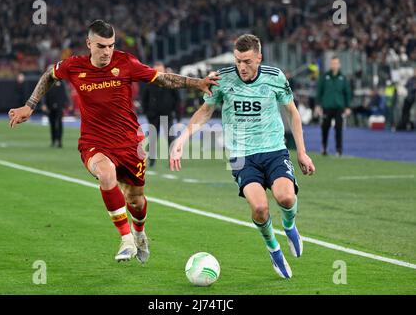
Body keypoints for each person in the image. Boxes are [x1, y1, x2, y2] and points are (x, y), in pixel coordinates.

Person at [8, 20, 219, 264]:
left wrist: (197, 83)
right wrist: (30, 105)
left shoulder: (125, 62)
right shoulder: (74, 66)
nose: (107, 51)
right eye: (101, 46)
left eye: (111, 45)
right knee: (106, 174)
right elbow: (49, 75)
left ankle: (139, 234)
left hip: (130, 144)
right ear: (89, 44)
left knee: (136, 201)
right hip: (94, 142)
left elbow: (162, 78)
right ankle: (126, 238)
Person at [170, 34, 315, 279]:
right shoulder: (222, 80)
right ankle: (274, 250)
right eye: (238, 61)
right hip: (242, 156)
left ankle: (290, 227)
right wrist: (181, 140)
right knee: (259, 208)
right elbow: (205, 111)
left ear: (259, 57)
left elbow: (292, 113)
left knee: (286, 198)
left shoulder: (275, 77)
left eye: (247, 61)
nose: (242, 67)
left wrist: (301, 151)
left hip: (274, 150)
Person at [142, 62, 181, 167]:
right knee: (152, 139)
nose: (159, 72)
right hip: (153, 116)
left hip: (167, 115)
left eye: (160, 70)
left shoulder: (170, 82)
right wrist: (147, 112)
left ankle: (173, 159)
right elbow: (144, 99)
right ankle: (152, 161)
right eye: (156, 70)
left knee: (170, 138)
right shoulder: (149, 83)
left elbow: (177, 99)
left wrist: (177, 114)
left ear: (164, 70)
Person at [315, 56, 352, 156]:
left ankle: (339, 150)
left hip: (339, 107)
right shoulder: (325, 77)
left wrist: (348, 106)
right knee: (325, 128)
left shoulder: (343, 78)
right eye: (332, 63)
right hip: (327, 106)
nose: (334, 65)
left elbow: (347, 92)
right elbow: (319, 91)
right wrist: (318, 105)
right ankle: (324, 147)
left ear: (339, 65)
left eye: (336, 63)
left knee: (339, 129)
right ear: (330, 64)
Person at [41, 78, 70, 148]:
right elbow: (44, 93)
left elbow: (65, 93)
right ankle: (53, 140)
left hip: (59, 106)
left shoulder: (62, 82)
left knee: (59, 123)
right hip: (50, 106)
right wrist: (44, 104)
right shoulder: (48, 82)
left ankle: (59, 141)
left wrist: (67, 104)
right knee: (52, 124)